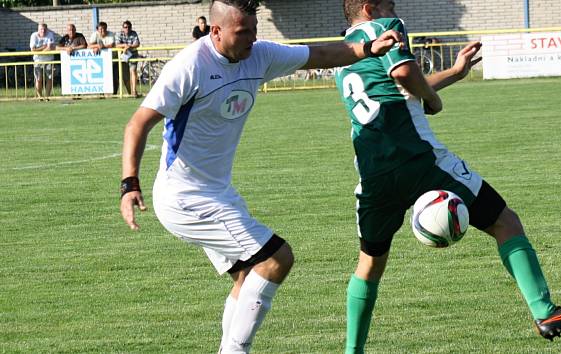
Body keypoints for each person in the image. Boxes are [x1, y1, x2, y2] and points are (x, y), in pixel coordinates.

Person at [119, 0, 401, 353]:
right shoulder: (190, 65)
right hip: (184, 197)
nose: (252, 38)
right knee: (276, 259)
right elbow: (138, 123)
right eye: (243, 32)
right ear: (215, 31)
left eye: (254, 29)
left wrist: (367, 48)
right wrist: (129, 183)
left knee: (246, 276)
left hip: (218, 193)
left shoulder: (259, 55)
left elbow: (320, 55)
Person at [335, 1, 561, 353]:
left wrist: (455, 74)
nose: (395, 8)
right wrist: (434, 100)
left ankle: (353, 351)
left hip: (373, 173)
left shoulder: (343, 52)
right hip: (418, 158)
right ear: (370, 8)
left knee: (369, 265)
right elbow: (403, 75)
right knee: (504, 221)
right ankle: (544, 311)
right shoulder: (383, 26)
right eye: (389, 3)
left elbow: (398, 91)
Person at [89, 21, 119, 94]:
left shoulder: (111, 34)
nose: (103, 30)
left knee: (114, 77)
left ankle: (114, 93)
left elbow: (111, 45)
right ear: (97, 30)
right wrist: (97, 46)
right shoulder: (94, 34)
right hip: (100, 61)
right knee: (101, 77)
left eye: (104, 28)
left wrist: (102, 47)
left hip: (113, 59)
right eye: (101, 29)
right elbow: (89, 46)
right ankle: (101, 93)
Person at [29, 23, 55, 99]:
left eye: (44, 29)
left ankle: (47, 97)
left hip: (49, 59)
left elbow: (50, 47)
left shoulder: (50, 34)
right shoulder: (34, 35)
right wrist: (44, 47)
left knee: (49, 78)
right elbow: (32, 49)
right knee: (38, 79)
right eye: (41, 29)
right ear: (38, 29)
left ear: (47, 29)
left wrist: (39, 50)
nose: (43, 31)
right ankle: (40, 97)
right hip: (37, 60)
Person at [116, 20, 141, 97]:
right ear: (122, 28)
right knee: (124, 75)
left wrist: (129, 46)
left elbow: (137, 44)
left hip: (133, 54)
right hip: (123, 55)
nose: (127, 28)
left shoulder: (134, 33)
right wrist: (125, 45)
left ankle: (134, 91)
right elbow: (117, 45)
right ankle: (124, 93)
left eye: (129, 27)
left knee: (133, 71)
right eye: (125, 27)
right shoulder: (119, 34)